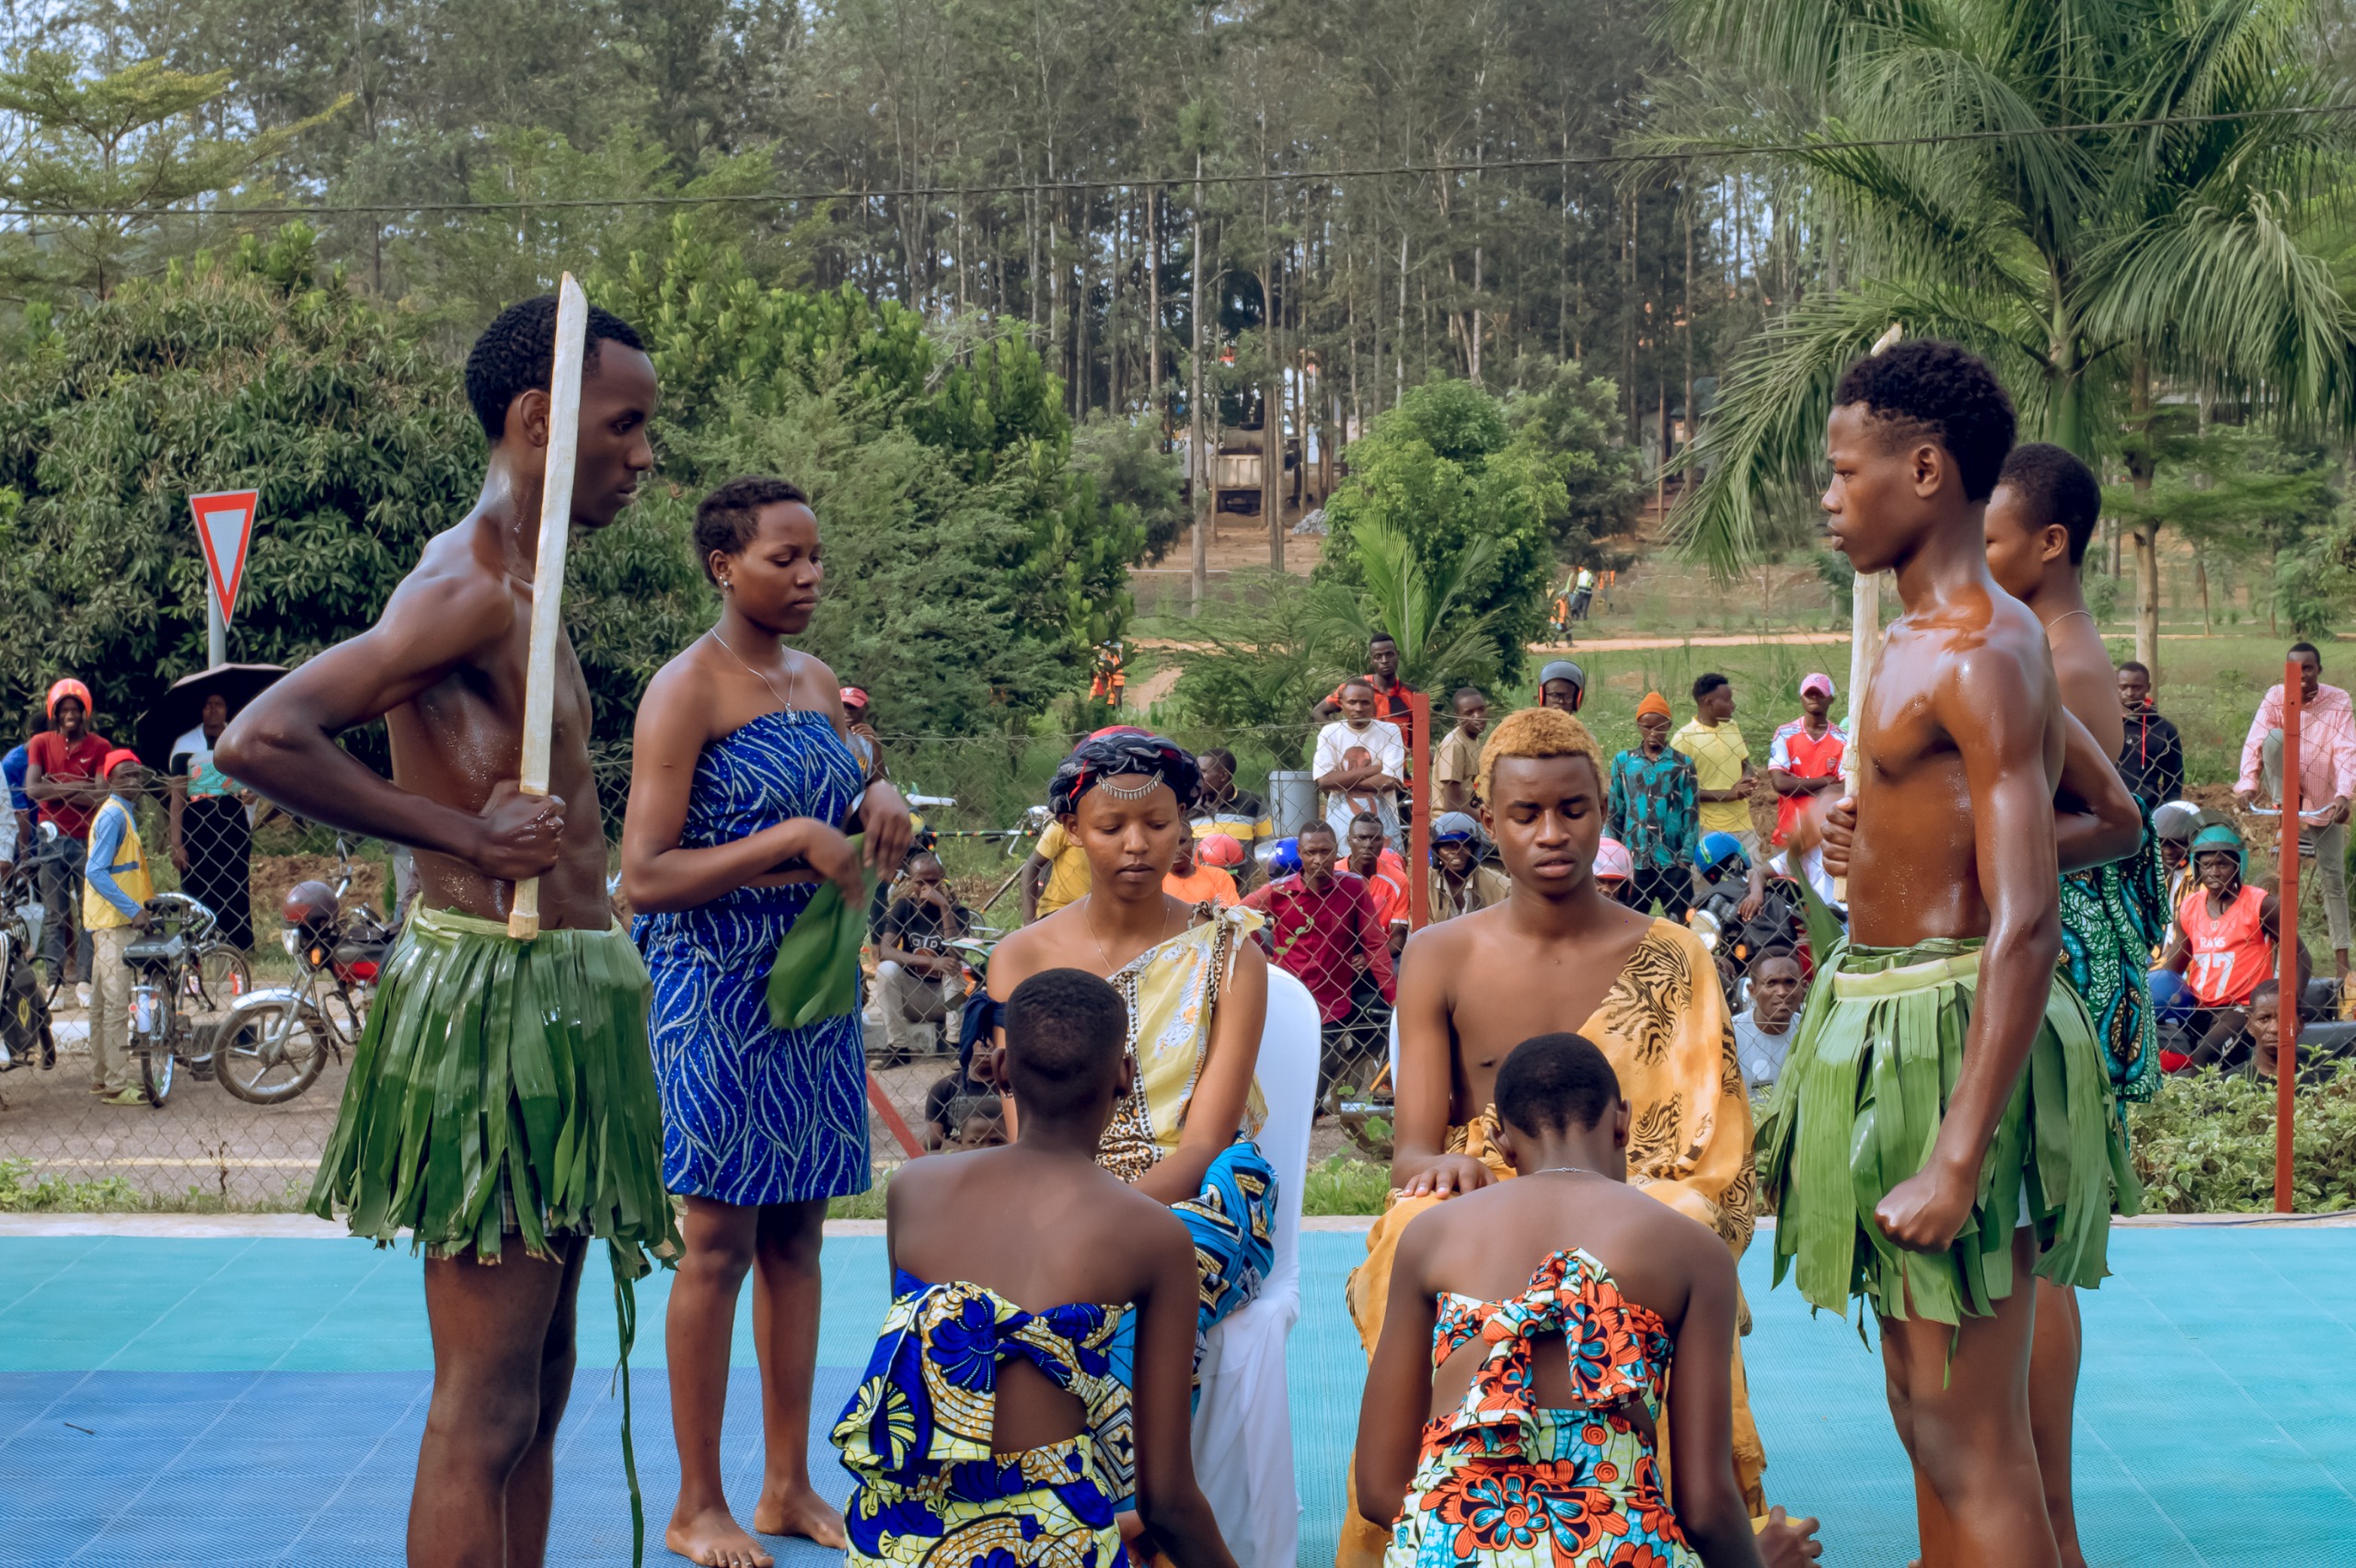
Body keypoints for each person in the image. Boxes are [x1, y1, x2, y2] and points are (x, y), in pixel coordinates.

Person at [216, 294, 679, 1568]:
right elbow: (260, 737)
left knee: (542, 1377)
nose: (645, 456)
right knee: (486, 1403)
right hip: (497, 1012)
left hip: (565, 998)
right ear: (539, 417)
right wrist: (463, 837)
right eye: (624, 426)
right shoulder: (467, 585)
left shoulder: (531, 581)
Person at [1766, 339, 2140, 1568]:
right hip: (1885, 1017)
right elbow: (2114, 816)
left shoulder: (1983, 650)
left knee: (1969, 1436)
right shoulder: (1926, 639)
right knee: (1923, 1414)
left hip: (1947, 1031)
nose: (1829, 498)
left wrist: (1958, 1157)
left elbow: (2025, 919)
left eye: (1845, 472)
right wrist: (1890, 839)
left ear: (1923, 471)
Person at [1336, 706, 1768, 1568]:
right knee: (1417, 1226)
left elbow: (1714, 1144)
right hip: (1489, 1189)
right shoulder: (1439, 954)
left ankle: (1664, 1505)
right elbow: (1413, 1150)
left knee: (1680, 1227)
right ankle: (1438, 1490)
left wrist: (1623, 1201)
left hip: (1637, 1192)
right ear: (1488, 821)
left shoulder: (1676, 952)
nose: (1551, 834)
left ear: (1603, 809)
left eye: (1572, 810)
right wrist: (1447, 1169)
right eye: (1526, 814)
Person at [621, 476, 914, 1565]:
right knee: (716, 1242)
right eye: (781, 559)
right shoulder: (684, 690)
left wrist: (877, 793)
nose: (807, 576)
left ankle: (787, 1486)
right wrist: (792, 840)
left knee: (798, 1233)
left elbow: (847, 784)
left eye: (813, 557)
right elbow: (644, 875)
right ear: (722, 566)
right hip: (713, 984)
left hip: (812, 980)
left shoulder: (814, 679)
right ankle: (696, 1504)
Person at [1357, 1033, 1819, 1568]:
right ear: (1622, 1122)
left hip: (1452, 1544)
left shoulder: (1431, 1236)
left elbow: (1379, 1489)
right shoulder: (1692, 1249)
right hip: (1619, 1548)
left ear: (1502, 1143)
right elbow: (1707, 1510)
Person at [832, 967, 1240, 1568]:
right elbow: (1167, 1503)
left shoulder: (912, 1190)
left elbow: (920, 1376)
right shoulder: (1154, 1236)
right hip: (1049, 1538)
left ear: (1000, 1070)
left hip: (898, 1534)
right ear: (1125, 1075)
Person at [982, 733, 1279, 1515]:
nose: (1138, 844)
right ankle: (1010, 1514)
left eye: (1157, 822)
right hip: (1056, 1183)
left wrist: (1092, 1223)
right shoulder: (1019, 958)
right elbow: (1023, 1134)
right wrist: (1061, 1214)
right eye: (1111, 827)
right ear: (1072, 830)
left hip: (1204, 1191)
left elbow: (1207, 1138)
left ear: (1184, 823)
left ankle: (1130, 1515)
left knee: (1119, 1296)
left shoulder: (1230, 950)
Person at [1987, 440, 2169, 1568]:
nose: (1975, 556)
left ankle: (2052, 1527)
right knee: (2019, 1240)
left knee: (2036, 1245)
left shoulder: (2065, 658)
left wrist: (1948, 843)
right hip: (2053, 939)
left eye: (1991, 538)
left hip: (2063, 952)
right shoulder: (2039, 643)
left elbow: (2094, 829)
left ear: (2049, 544)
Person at [1245, 816, 1397, 1095]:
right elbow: (1239, 917)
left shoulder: (1353, 888)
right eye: (1311, 852)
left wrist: (1393, 995)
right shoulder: (1280, 891)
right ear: (1300, 853)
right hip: (1292, 996)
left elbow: (1375, 943)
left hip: (1335, 998)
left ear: (1336, 851)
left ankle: (1343, 1090)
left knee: (1377, 1028)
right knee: (1294, 1073)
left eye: (1325, 851)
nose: (1318, 860)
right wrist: (1265, 957)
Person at [2235, 640, 2356, 980]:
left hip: (2325, 801)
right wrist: (2247, 784)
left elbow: (2346, 750)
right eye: (2294, 668)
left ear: (2319, 670)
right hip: (2285, 796)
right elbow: (2256, 741)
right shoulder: (2276, 696)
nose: (2301, 675)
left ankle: (2343, 966)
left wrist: (2344, 795)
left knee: (2333, 879)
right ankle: (2269, 959)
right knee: (2275, 738)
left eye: (2308, 668)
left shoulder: (2338, 700)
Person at [2160, 823, 2281, 1070]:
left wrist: (2289, 1000)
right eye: (2206, 865)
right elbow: (2173, 967)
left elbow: (2299, 954)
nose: (2214, 871)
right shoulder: (2190, 907)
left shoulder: (2260, 904)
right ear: (2197, 867)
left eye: (2223, 864)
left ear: (2238, 865)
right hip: (2198, 1007)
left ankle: (2199, 1096)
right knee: (2160, 1043)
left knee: (2205, 1056)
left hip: (2241, 1008)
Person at [25, 678, 110, 990]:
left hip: (87, 837)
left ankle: (84, 980)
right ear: (55, 712)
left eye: (75, 709)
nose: (70, 715)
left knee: (89, 913)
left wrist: (57, 786)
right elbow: (34, 789)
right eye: (64, 710)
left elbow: (100, 795)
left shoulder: (100, 746)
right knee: (54, 915)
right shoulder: (40, 742)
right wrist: (79, 786)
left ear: (84, 711)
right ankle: (55, 984)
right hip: (50, 838)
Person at [82, 748, 153, 1106]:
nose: (133, 781)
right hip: (115, 922)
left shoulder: (122, 812)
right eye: (125, 776)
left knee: (100, 1005)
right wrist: (133, 909)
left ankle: (102, 1077)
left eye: (137, 775)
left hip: (106, 920)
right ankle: (115, 1083)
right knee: (114, 1004)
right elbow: (95, 871)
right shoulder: (114, 815)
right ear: (110, 779)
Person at [167, 692, 256, 951]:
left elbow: (254, 783)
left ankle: (238, 946)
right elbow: (177, 797)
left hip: (232, 829)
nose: (213, 709)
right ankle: (198, 943)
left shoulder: (240, 740)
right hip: (196, 831)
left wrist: (252, 794)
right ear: (201, 710)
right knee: (197, 889)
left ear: (227, 709)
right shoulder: (185, 747)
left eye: (219, 704)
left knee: (235, 887)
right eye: (208, 705)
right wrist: (176, 843)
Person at [1606, 691, 1702, 920]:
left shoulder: (1681, 764)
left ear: (1668, 726)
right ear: (1638, 726)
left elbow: (1691, 812)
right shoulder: (1624, 762)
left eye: (1659, 727)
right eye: (1646, 727)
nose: (1652, 733)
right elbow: (1616, 810)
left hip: (1673, 861)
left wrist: (1685, 858)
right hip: (1635, 861)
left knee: (1682, 923)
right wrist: (1615, 855)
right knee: (1628, 921)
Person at [876, 850, 973, 1063]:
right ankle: (898, 1048)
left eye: (933, 882)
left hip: (946, 1000)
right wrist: (931, 961)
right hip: (913, 998)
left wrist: (945, 907)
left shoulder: (959, 912)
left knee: (958, 968)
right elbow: (885, 951)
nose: (927, 888)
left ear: (942, 880)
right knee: (886, 970)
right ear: (911, 881)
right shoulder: (904, 907)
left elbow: (957, 953)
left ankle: (954, 1044)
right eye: (920, 882)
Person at [1675, 674, 1758, 861]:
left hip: (1744, 824)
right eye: (1727, 700)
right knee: (1713, 878)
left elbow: (1745, 762)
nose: (1733, 705)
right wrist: (1728, 794)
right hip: (1708, 828)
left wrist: (1748, 777)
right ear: (1709, 702)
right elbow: (1679, 790)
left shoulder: (1732, 727)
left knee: (1754, 875)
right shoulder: (1684, 738)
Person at [1315, 680, 1407, 842]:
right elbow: (1324, 781)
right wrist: (1372, 770)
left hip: (1383, 824)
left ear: (1373, 704)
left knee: (1385, 858)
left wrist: (1342, 781)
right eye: (1352, 702)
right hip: (1340, 824)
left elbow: (1391, 781)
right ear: (1341, 704)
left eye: (1365, 702)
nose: (1358, 708)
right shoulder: (1330, 733)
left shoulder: (1390, 731)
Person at [1765, 675, 1845, 849]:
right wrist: (1827, 781)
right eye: (1809, 694)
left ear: (1831, 699)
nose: (1814, 697)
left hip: (1827, 837)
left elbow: (1845, 788)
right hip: (1789, 836)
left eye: (1820, 693)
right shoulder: (1784, 733)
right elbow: (1780, 784)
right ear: (1801, 698)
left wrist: (1796, 784)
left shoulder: (1843, 739)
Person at [1315, 631, 1424, 755]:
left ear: (1397, 655)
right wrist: (1343, 735)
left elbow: (1416, 740)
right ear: (1371, 660)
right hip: (1360, 762)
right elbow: (1318, 711)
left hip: (1397, 764)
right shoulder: (1355, 689)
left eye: (1389, 654)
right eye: (1378, 656)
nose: (1384, 660)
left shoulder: (1412, 694)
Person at [1732, 948, 1805, 1096]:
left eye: (1790, 982)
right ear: (1753, 990)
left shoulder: (1811, 1030)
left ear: (1802, 987)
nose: (1782, 992)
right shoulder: (1730, 1034)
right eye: (1771, 983)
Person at [1188, 749, 1273, 874]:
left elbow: (1266, 848)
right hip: (1198, 881)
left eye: (1203, 772)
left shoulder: (1253, 804)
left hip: (1238, 880)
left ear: (1223, 776)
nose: (1196, 777)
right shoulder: (1189, 805)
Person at [2113, 662, 2182, 807]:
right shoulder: (2105, 725)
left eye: (2136, 687)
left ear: (2148, 687)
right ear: (2115, 686)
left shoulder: (2163, 730)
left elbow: (2174, 778)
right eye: (2123, 687)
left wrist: (2169, 809)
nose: (2129, 693)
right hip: (2109, 805)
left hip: (2149, 807)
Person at [1345, 812, 1412, 951]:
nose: (1368, 844)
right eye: (1361, 838)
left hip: (1382, 952)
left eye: (1375, 839)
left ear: (1383, 842)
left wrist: (1371, 958)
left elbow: (1399, 938)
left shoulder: (1398, 880)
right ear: (1349, 840)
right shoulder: (1332, 874)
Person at [1426, 812, 1508, 920]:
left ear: (1474, 850)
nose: (1456, 852)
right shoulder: (1424, 884)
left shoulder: (1501, 886)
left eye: (1463, 845)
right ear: (1436, 852)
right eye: (1448, 846)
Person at [1022, 810, 1093, 923]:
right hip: (1058, 908)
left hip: (1097, 911)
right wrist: (1029, 920)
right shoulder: (1064, 826)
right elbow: (1032, 864)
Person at [1429, 687, 1489, 814]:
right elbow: (1452, 805)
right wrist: (1489, 819)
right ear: (1457, 717)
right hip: (1450, 819)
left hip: (1469, 813)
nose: (1478, 716)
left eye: (1481, 709)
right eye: (1469, 713)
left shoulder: (1473, 740)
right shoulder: (1454, 744)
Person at [1164, 828, 1241, 911]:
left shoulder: (1219, 876)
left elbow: (1232, 914)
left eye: (1182, 842)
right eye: (1169, 843)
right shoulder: (1155, 882)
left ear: (1192, 842)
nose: (1177, 850)